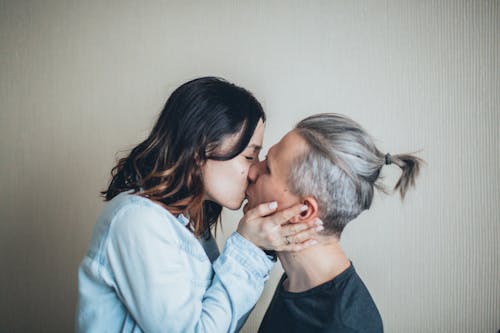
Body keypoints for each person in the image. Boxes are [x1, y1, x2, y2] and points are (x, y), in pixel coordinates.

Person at [75, 77, 321, 333]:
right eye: (249, 155)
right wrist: (249, 249)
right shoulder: (137, 222)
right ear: (198, 147)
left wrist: (260, 249)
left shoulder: (190, 222)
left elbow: (222, 323)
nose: (253, 171)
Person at [245, 113, 423, 333]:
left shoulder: (343, 326)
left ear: (304, 211)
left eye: (268, 169)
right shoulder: (295, 279)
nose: (253, 171)